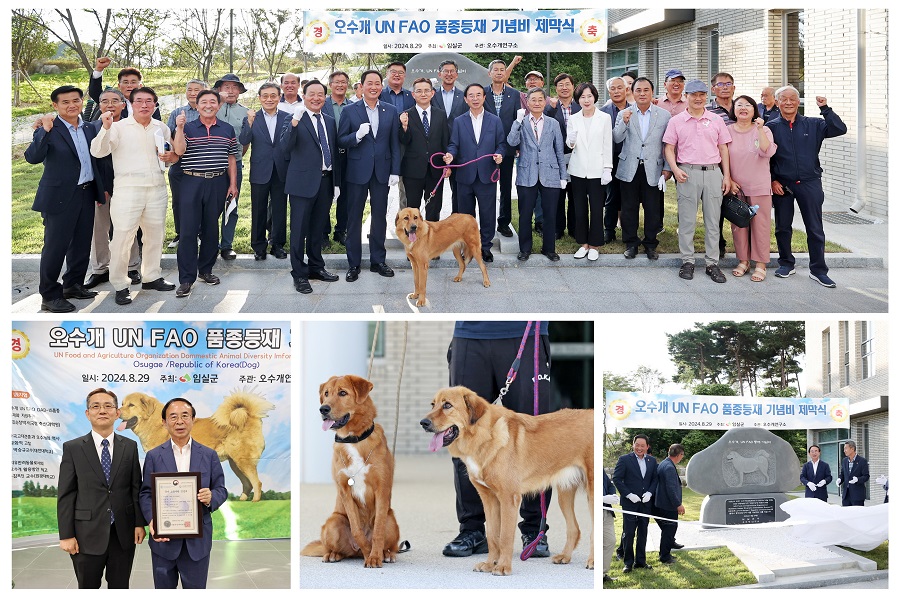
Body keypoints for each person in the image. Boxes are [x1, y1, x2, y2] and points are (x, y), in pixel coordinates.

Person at [443, 321, 553, 558]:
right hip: (469, 335)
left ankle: (535, 529)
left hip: (525, 332)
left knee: (537, 438)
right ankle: (472, 530)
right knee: (462, 433)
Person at [90, 86, 176, 305]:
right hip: (128, 187)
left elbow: (170, 155)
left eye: (149, 101)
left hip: (156, 186)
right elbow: (98, 151)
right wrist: (106, 128)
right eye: (139, 101)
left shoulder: (162, 127)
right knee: (123, 237)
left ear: (155, 105)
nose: (144, 105)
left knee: (155, 234)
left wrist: (169, 156)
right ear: (131, 104)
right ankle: (120, 284)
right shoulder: (118, 127)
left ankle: (152, 276)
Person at [24, 85, 104, 313]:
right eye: (65, 102)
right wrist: (44, 130)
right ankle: (49, 295)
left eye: (76, 100)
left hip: (86, 192)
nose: (72, 105)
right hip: (58, 197)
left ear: (81, 101)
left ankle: (73, 285)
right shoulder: (49, 127)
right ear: (55, 106)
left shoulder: (89, 127)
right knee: (55, 247)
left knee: (80, 243)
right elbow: (32, 157)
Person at [57, 388, 145, 588]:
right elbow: (66, 494)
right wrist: (66, 535)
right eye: (95, 406)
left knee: (120, 585)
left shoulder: (129, 446)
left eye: (108, 406)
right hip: (85, 534)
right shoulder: (73, 448)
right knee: (88, 586)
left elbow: (135, 488)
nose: (102, 410)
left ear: (117, 413)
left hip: (122, 533)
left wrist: (139, 523)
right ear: (88, 414)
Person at [139, 398, 227, 589]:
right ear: (164, 422)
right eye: (173, 417)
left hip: (197, 543)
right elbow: (146, 493)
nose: (179, 421)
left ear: (193, 419)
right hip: (163, 541)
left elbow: (221, 489)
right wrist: (152, 520)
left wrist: (212, 497)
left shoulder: (209, 455)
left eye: (185, 416)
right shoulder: (154, 456)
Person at [768, 86, 847, 288]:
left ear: (798, 102)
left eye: (792, 99)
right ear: (776, 103)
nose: (788, 102)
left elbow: (839, 128)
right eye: (783, 99)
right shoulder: (771, 127)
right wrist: (773, 180)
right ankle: (786, 263)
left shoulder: (814, 124)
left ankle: (818, 270)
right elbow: (766, 157)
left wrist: (825, 108)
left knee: (815, 228)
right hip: (782, 184)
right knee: (782, 227)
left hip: (810, 182)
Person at [663, 79, 732, 283]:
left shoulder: (716, 120)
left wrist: (726, 175)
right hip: (687, 172)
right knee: (687, 220)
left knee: (713, 221)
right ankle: (688, 261)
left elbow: (723, 149)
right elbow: (669, 148)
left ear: (706, 96)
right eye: (694, 95)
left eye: (702, 94)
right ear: (686, 96)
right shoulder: (676, 121)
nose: (698, 98)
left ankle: (712, 264)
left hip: (712, 173)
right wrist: (675, 169)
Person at [171, 89, 238, 298]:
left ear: (218, 105)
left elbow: (231, 158)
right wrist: (179, 128)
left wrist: (233, 184)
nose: (208, 105)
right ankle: (186, 279)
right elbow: (179, 151)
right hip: (191, 181)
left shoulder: (227, 129)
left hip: (218, 182)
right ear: (197, 105)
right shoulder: (187, 127)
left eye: (212, 102)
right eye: (204, 102)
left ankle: (206, 270)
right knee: (188, 231)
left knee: (211, 228)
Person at [337, 69, 401, 282]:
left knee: (379, 217)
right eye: (369, 83)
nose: (373, 87)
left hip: (382, 172)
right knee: (354, 218)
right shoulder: (349, 111)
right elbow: (341, 141)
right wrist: (357, 135)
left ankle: (378, 260)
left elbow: (394, 143)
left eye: (377, 83)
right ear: (361, 86)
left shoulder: (390, 110)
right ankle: (353, 264)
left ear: (381, 87)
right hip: (356, 172)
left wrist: (395, 170)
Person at [281, 80, 341, 294]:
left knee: (317, 230)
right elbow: (285, 147)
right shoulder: (293, 118)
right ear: (303, 96)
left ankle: (316, 267)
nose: (316, 98)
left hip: (325, 182)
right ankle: (299, 274)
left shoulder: (330, 120)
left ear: (325, 97)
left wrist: (336, 183)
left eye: (320, 94)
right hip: (301, 184)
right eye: (311, 94)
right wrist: (295, 122)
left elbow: (333, 151)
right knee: (298, 231)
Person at [85, 89, 142, 290]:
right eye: (104, 101)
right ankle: (100, 269)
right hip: (101, 188)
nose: (110, 104)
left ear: (123, 104)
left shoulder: (131, 126)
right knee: (99, 229)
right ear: (99, 105)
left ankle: (132, 266)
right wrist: (102, 188)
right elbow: (93, 160)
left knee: (127, 227)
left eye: (115, 101)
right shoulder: (91, 128)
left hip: (127, 186)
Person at [444, 83, 507, 263]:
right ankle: (467, 247)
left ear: (484, 97)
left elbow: (501, 144)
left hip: (487, 174)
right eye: (471, 95)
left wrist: (500, 154)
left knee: (488, 213)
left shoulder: (494, 120)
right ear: (466, 99)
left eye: (479, 95)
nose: (475, 98)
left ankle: (484, 247)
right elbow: (453, 144)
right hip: (464, 175)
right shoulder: (459, 121)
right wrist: (450, 155)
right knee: (465, 216)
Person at [613, 77, 671, 261]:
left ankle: (650, 244)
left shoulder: (663, 115)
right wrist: (624, 121)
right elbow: (616, 138)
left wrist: (668, 167)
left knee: (652, 208)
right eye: (638, 90)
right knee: (629, 208)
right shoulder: (625, 113)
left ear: (652, 92)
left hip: (653, 167)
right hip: (630, 166)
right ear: (632, 92)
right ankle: (631, 243)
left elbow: (669, 144)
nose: (642, 93)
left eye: (646, 90)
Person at [508, 87, 567, 262]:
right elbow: (512, 142)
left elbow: (559, 151)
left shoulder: (553, 123)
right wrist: (517, 122)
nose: (537, 103)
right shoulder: (521, 122)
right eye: (533, 99)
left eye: (540, 99)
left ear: (545, 101)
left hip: (550, 174)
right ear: (527, 101)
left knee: (550, 214)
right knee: (525, 214)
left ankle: (549, 249)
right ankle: (525, 249)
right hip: (527, 173)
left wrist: (563, 176)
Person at [727, 95, 777, 282]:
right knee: (739, 225)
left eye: (748, 105)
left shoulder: (764, 129)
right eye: (739, 105)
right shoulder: (727, 130)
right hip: (736, 187)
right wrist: (729, 179)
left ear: (754, 110)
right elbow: (722, 155)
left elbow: (767, 151)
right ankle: (743, 261)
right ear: (734, 109)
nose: (743, 108)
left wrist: (760, 129)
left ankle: (761, 264)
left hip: (759, 185)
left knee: (760, 226)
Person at [239, 82, 290, 261]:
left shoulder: (287, 117)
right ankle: (259, 246)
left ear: (279, 97)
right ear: (260, 98)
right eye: (265, 96)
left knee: (279, 208)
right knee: (258, 209)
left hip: (281, 169)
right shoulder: (252, 117)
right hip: (260, 169)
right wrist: (250, 122)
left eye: (273, 95)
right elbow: (244, 139)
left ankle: (277, 244)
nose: (269, 99)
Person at [566, 82, 611, 261]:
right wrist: (570, 140)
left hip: (597, 170)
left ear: (595, 97)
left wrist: (607, 168)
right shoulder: (573, 118)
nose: (586, 100)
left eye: (589, 96)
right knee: (579, 208)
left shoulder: (604, 118)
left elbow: (608, 144)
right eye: (582, 97)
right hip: (577, 170)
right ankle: (583, 243)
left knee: (597, 208)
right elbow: (571, 145)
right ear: (578, 99)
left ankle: (595, 245)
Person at [400, 78, 450, 222]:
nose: (423, 94)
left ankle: (431, 241)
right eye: (419, 91)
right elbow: (404, 141)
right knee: (412, 209)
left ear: (433, 93)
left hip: (435, 169)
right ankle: (413, 240)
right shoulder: (406, 115)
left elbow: (445, 140)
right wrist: (404, 127)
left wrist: (447, 165)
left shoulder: (440, 114)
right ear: (413, 94)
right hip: (412, 170)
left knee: (434, 207)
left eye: (427, 90)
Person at [166, 79, 208, 249]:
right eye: (189, 90)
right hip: (179, 163)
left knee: (200, 201)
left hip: (200, 164)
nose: (192, 93)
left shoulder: (207, 111)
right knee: (178, 200)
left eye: (196, 90)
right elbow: (168, 134)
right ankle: (180, 233)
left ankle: (200, 233)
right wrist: (175, 151)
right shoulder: (177, 112)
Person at [483, 59, 520, 239]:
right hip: (485, 148)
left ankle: (503, 222)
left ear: (506, 73)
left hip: (507, 148)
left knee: (505, 186)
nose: (499, 72)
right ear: (489, 73)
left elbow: (517, 121)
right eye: (495, 70)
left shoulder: (514, 94)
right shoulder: (482, 93)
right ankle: (486, 222)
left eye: (502, 70)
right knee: (487, 186)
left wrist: (517, 145)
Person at [214, 73, 250, 261]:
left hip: (235, 163)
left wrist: (237, 157)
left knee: (232, 204)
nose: (230, 90)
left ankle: (226, 245)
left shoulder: (246, 112)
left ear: (239, 91)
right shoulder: (212, 108)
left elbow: (245, 140)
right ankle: (209, 243)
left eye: (234, 87)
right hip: (210, 163)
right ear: (219, 89)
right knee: (211, 205)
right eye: (226, 86)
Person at [613, 434, 658, 573]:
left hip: (645, 503)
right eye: (637, 445)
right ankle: (628, 562)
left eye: (642, 446)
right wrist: (628, 494)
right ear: (633, 445)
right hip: (630, 503)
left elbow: (655, 479)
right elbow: (617, 479)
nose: (639, 448)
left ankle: (641, 561)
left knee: (643, 532)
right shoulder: (625, 459)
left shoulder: (652, 461)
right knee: (629, 532)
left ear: (647, 447)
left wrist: (650, 493)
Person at [546, 73, 581, 238]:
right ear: (556, 88)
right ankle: (557, 229)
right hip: (555, 156)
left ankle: (574, 229)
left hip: (577, 156)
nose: (564, 87)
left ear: (573, 86)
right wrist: (550, 108)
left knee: (575, 194)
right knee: (557, 195)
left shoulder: (580, 107)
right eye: (561, 85)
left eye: (567, 84)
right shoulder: (551, 108)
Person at [431, 60, 468, 213]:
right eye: (445, 71)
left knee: (458, 191)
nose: (449, 74)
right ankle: (433, 227)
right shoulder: (432, 94)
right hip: (435, 147)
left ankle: (456, 224)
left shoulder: (464, 96)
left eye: (452, 71)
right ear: (440, 74)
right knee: (434, 190)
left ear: (457, 75)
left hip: (458, 149)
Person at [323, 71, 353, 245]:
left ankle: (341, 230)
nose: (340, 85)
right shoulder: (322, 104)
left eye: (344, 82)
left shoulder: (353, 105)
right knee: (325, 195)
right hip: (327, 157)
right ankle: (323, 232)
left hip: (348, 157)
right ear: (330, 85)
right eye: (337, 82)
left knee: (346, 196)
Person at [600, 76, 629, 244]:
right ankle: (609, 230)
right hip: (611, 159)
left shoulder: (635, 109)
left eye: (620, 88)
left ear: (626, 90)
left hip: (630, 159)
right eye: (613, 89)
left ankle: (628, 230)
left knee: (629, 197)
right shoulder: (603, 112)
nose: (616, 91)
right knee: (611, 196)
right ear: (609, 91)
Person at [87, 57, 160, 120]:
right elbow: (94, 92)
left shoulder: (150, 104)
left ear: (140, 86)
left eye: (133, 82)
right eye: (125, 82)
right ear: (119, 86)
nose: (129, 85)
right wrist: (99, 69)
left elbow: (157, 126)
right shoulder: (113, 102)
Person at [653, 444, 685, 565]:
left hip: (662, 503)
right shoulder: (669, 468)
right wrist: (678, 504)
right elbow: (670, 488)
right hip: (668, 505)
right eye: (682, 455)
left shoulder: (663, 463)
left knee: (668, 530)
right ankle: (665, 557)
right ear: (679, 454)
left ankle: (666, 553)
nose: (682, 457)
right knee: (669, 530)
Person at [837, 440, 869, 506]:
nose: (844, 451)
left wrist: (858, 479)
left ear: (852, 449)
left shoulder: (862, 461)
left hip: (857, 495)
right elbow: (843, 473)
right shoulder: (844, 460)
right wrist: (839, 479)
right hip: (846, 495)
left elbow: (866, 476)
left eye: (846, 448)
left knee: (857, 515)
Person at [602, 470, 619, 583]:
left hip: (606, 510)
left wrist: (612, 495)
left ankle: (602, 573)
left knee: (610, 541)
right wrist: (601, 498)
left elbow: (609, 484)